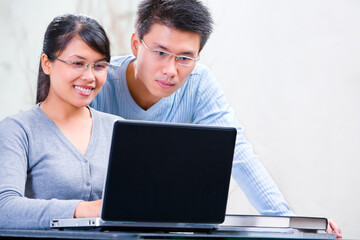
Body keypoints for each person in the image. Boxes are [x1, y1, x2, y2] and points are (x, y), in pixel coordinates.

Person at [90, 0, 341, 238]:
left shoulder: (199, 83)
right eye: (160, 52)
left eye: (185, 58)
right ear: (136, 45)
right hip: (95, 224)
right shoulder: (97, 82)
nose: (170, 70)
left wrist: (291, 224)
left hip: (169, 226)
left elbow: (238, 154)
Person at [0, 14, 120, 229]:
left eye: (99, 66)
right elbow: (4, 209)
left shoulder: (118, 128)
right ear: (47, 64)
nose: (90, 77)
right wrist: (82, 210)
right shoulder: (18, 130)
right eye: (78, 63)